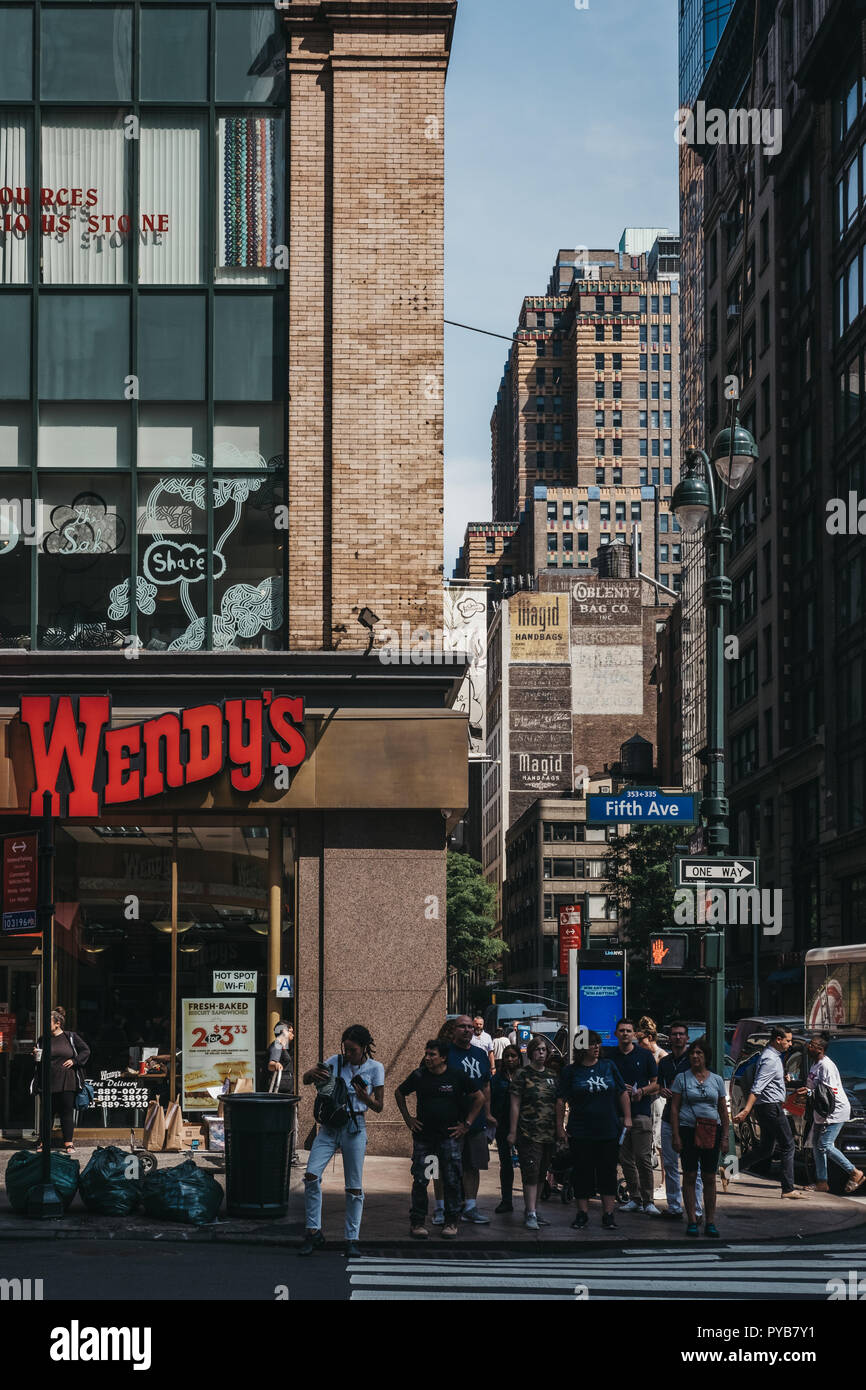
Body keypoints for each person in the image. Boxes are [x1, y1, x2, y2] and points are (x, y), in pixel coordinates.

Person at [299, 1024, 385, 1257]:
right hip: (329, 1127)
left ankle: (352, 1239)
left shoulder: (375, 1068)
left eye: (353, 1050)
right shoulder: (335, 1061)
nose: (348, 1054)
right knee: (311, 1176)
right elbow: (307, 1079)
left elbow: (379, 1106)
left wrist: (364, 1098)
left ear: (364, 1048)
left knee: (354, 1186)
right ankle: (313, 1231)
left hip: (355, 1127)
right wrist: (311, 1074)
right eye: (345, 1049)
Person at [395, 1039, 484, 1239]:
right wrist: (409, 1119)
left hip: (449, 1139)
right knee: (422, 1179)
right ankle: (418, 1222)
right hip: (426, 1141)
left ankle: (451, 1222)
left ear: (443, 1057)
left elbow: (479, 1097)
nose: (427, 1058)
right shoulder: (419, 1076)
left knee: (452, 1179)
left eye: (432, 1055)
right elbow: (399, 1093)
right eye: (426, 1054)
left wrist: (466, 1125)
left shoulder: (456, 1076)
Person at [556, 1029, 631, 1230]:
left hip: (608, 1129)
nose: (596, 1047)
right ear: (581, 1047)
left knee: (607, 1171)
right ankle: (582, 1213)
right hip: (580, 1130)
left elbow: (622, 1092)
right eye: (591, 1044)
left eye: (598, 1043)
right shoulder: (571, 1071)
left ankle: (608, 1214)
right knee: (582, 1172)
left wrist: (628, 1117)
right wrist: (560, 1127)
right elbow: (561, 1100)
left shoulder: (608, 1066)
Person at [732, 1025, 805, 1200]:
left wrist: (783, 1079)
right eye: (788, 1040)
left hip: (767, 1107)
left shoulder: (771, 1057)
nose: (790, 1044)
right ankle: (788, 1188)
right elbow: (757, 1087)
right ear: (778, 1040)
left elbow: (767, 1082)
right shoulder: (770, 1059)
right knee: (788, 1144)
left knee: (765, 1149)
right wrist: (746, 1110)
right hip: (770, 1107)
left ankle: (729, 1170)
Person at [433, 1015, 493, 1224]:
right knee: (442, 1165)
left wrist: (487, 1113)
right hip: (450, 1122)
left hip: (475, 1123)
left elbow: (486, 1086)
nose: (467, 1030)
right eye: (462, 1027)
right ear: (454, 1029)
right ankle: (440, 1208)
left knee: (472, 1165)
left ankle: (470, 1207)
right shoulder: (445, 1054)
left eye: (470, 1027)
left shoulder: (480, 1054)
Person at [670, 1039, 729, 1237]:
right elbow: (675, 1109)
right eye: (692, 1053)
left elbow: (722, 1110)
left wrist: (726, 1138)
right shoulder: (681, 1078)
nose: (695, 1056)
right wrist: (676, 1135)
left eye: (699, 1053)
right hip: (688, 1130)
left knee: (709, 1177)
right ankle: (692, 1220)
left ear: (706, 1056)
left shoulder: (717, 1080)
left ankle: (710, 1220)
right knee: (689, 1175)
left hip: (711, 1130)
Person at [796, 1032, 864, 1195]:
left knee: (825, 1145)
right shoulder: (815, 1064)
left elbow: (829, 1093)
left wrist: (809, 1094)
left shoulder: (827, 1066)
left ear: (819, 1049)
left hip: (834, 1110)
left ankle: (855, 1173)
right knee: (817, 1147)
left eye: (811, 1045)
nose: (808, 1047)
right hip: (821, 1110)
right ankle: (822, 1182)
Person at [507, 1034, 559, 1229]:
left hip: (549, 1133)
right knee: (530, 1172)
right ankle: (530, 1212)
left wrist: (560, 1129)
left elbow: (557, 1104)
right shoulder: (523, 1074)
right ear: (530, 1053)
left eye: (544, 1050)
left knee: (541, 1174)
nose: (541, 1053)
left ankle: (535, 1210)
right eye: (537, 1049)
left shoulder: (552, 1076)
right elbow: (515, 1104)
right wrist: (512, 1132)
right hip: (528, 1132)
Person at [610, 1018, 660, 1215]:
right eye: (621, 1030)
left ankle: (649, 1201)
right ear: (616, 1034)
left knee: (643, 1159)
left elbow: (657, 1083)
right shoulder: (610, 1056)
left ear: (634, 1034)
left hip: (641, 1113)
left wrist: (642, 1091)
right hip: (618, 1116)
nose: (625, 1034)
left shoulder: (645, 1055)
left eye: (628, 1031)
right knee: (626, 1160)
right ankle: (635, 1198)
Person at [657, 1020, 702, 1220]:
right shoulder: (665, 1062)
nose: (678, 1037)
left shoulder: (692, 1060)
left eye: (681, 1034)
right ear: (669, 1037)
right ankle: (674, 1206)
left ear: (687, 1038)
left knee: (693, 1167)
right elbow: (659, 1085)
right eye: (674, 1034)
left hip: (689, 1119)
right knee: (670, 1164)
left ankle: (698, 1209)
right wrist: (662, 1091)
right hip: (668, 1117)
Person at [33, 1007, 91, 1155]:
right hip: (48, 1081)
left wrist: (75, 1060)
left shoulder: (70, 1037)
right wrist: (35, 1056)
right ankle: (43, 1142)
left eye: (49, 1022)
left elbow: (86, 1050)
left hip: (67, 1080)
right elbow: (39, 1061)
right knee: (47, 1113)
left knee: (66, 1112)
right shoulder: (42, 1039)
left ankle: (68, 1144)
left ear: (57, 1023)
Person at [490, 1043, 522, 1212]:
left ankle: (530, 1203)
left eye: (513, 1056)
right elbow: (491, 1098)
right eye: (507, 1056)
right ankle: (506, 1200)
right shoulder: (497, 1078)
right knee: (506, 1163)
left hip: (524, 1126)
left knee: (527, 1163)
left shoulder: (524, 1076)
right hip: (503, 1126)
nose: (510, 1059)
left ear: (519, 1058)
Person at [637, 1016, 668, 1184]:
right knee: (648, 1142)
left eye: (641, 1041)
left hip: (658, 1101)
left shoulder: (661, 1056)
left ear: (649, 1038)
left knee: (660, 1142)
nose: (639, 1044)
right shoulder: (644, 1055)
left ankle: (664, 1182)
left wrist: (643, 1090)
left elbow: (660, 1084)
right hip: (647, 1101)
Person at [268, 1020, 300, 1164]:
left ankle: (289, 1154)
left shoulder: (283, 1047)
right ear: (284, 1031)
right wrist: (276, 1064)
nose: (293, 1034)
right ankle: (290, 1156)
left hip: (285, 1090)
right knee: (288, 1123)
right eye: (291, 1031)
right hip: (281, 1092)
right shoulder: (277, 1045)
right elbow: (271, 1064)